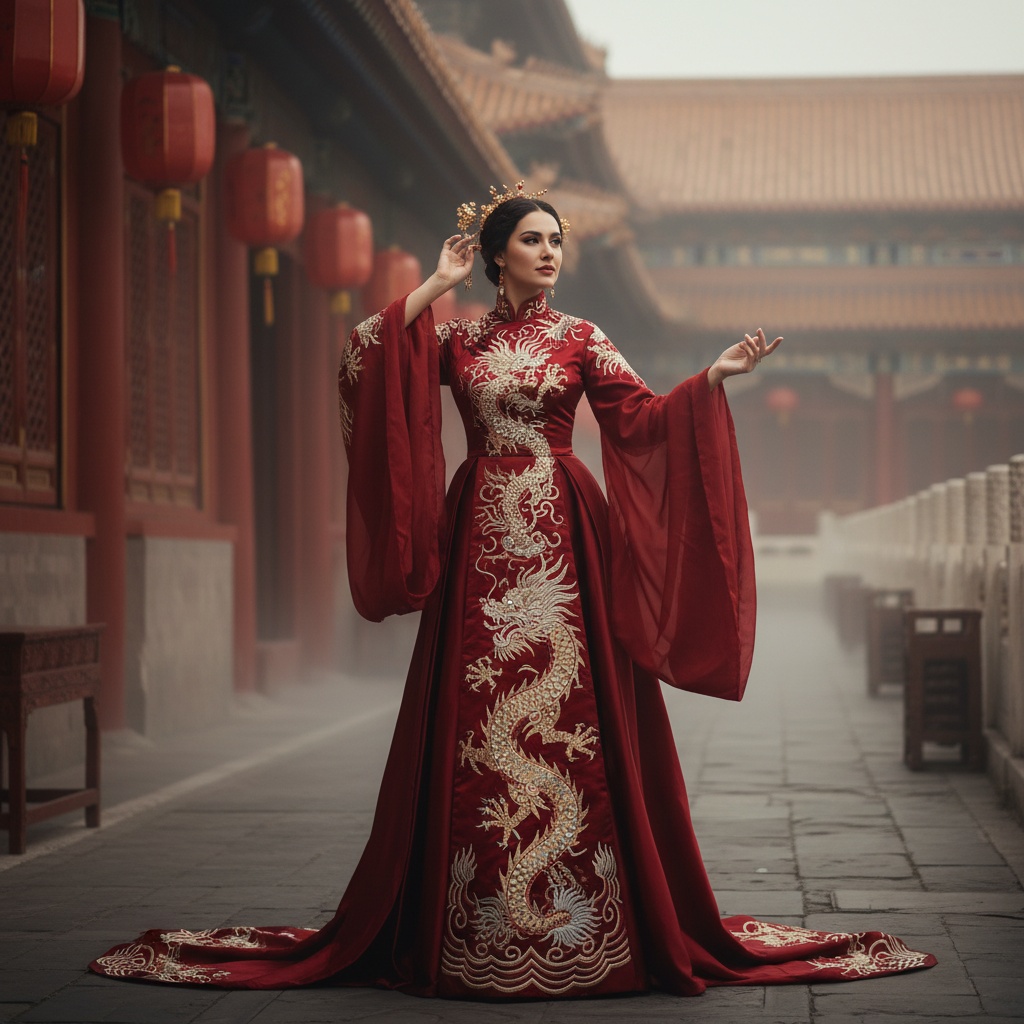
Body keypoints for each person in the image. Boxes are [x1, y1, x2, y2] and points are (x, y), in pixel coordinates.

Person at [90, 184, 935, 997]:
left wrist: (709, 380)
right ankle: (468, 916)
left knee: (584, 708)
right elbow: (366, 361)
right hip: (482, 540)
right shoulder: (455, 337)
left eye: (557, 240)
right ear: (496, 255)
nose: (550, 253)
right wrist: (433, 285)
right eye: (533, 240)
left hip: (570, 534)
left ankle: (596, 912)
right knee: (469, 712)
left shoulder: (581, 335)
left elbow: (639, 418)